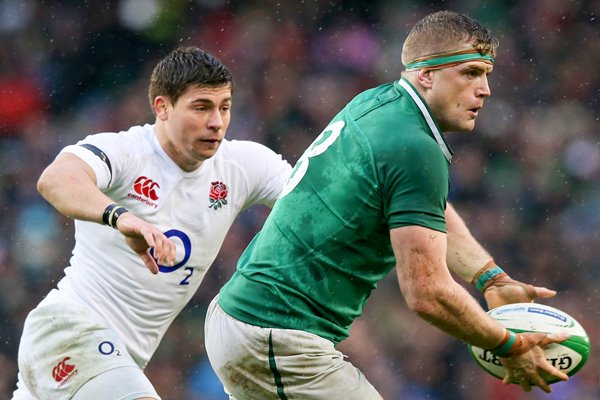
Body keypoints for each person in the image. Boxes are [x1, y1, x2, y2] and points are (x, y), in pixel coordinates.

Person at [204, 10, 571, 399]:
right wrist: (508, 346)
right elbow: (426, 294)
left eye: (486, 75)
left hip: (248, 321)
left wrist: (490, 278)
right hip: (275, 333)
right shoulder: (414, 147)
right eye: (470, 73)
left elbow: (427, 211)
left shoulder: (380, 104)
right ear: (426, 74)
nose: (485, 89)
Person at [12, 46, 292, 400]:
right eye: (201, 107)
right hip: (70, 332)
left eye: (224, 107)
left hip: (115, 362)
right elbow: (55, 179)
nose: (216, 122)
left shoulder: (244, 165)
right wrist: (121, 217)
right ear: (162, 107)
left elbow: (314, 203)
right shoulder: (127, 152)